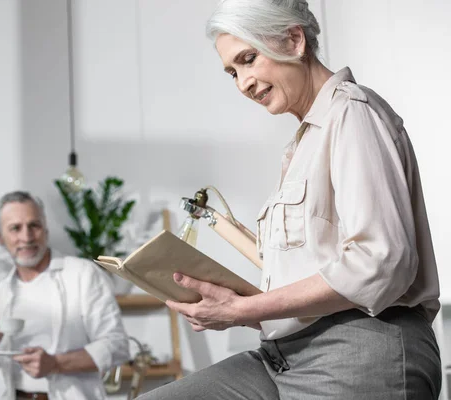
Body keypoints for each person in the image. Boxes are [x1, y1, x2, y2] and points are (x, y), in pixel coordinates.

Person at [139, 0, 441, 399]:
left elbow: (381, 262)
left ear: (294, 40)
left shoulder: (351, 114)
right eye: (232, 71)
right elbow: (311, 277)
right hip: (281, 353)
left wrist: (242, 310)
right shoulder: (300, 148)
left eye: (248, 59)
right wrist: (230, 304)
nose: (243, 83)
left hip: (362, 345)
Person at [0, 191, 129, 400]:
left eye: (34, 225)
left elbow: (117, 345)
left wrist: (55, 364)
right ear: (0, 237)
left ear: (45, 229)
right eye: (15, 228)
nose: (26, 237)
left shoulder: (82, 275)